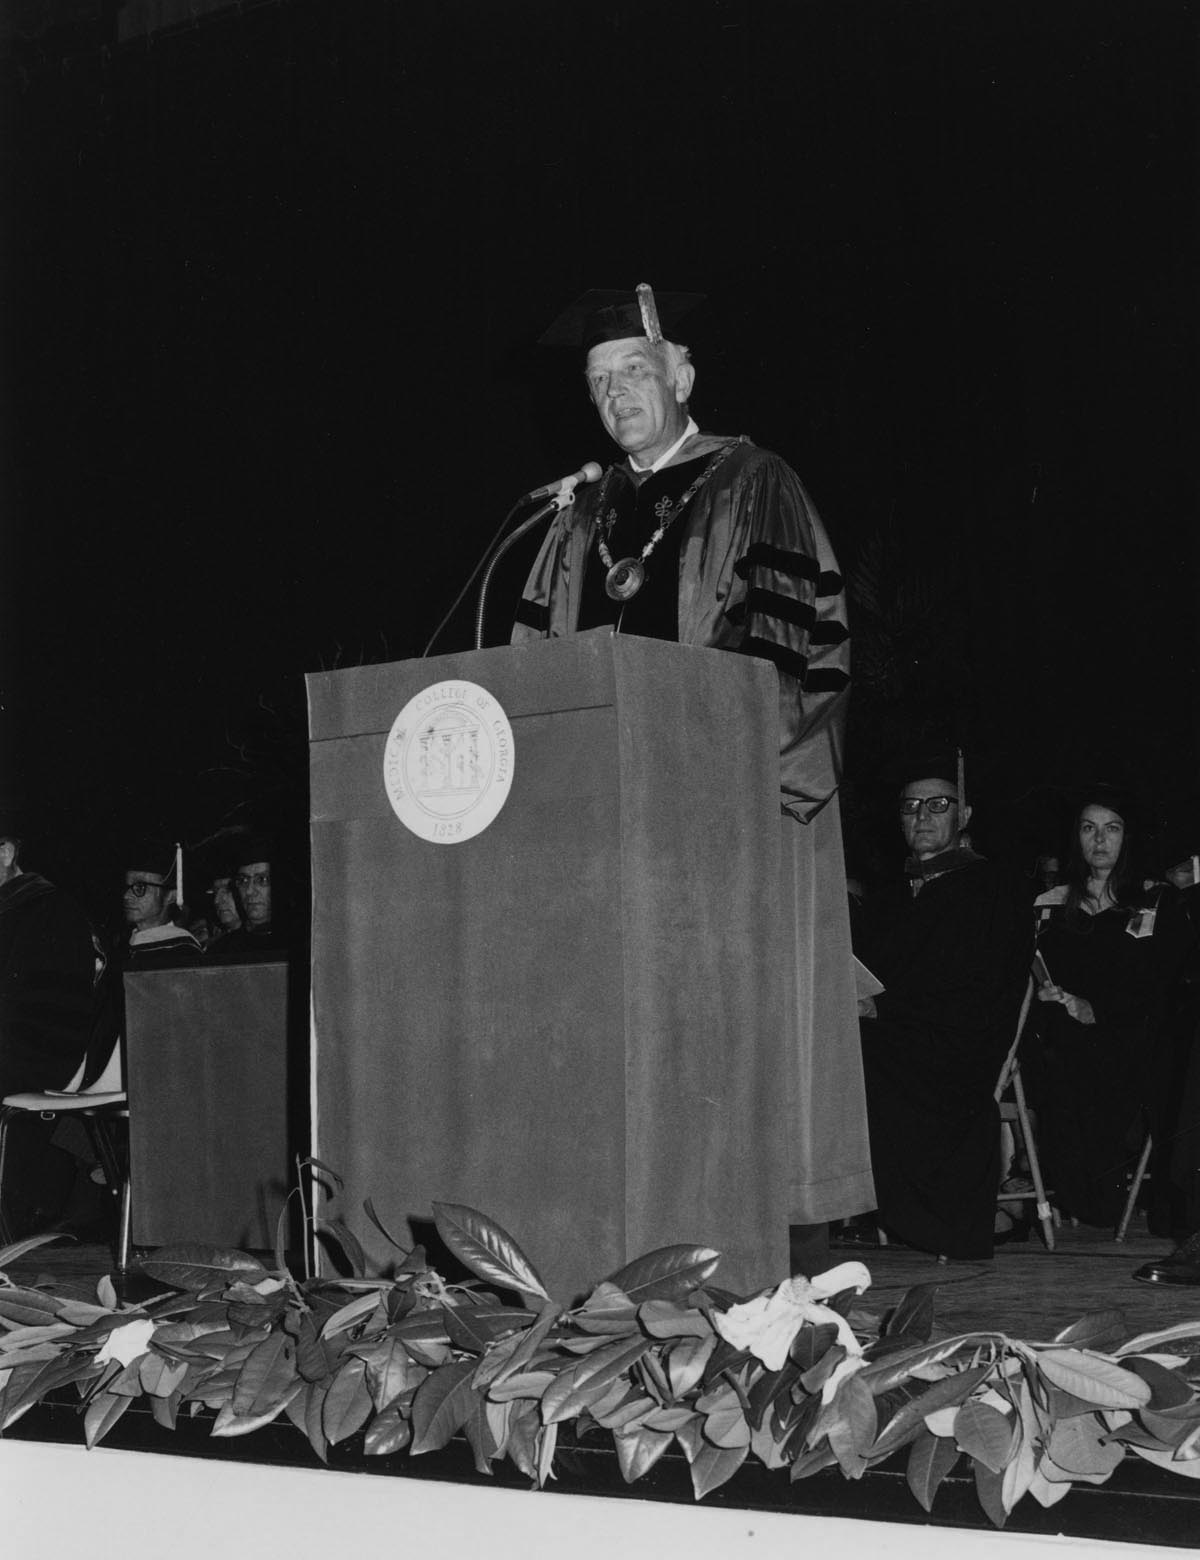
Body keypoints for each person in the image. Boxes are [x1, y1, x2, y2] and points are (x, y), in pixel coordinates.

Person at [511, 283, 873, 1262]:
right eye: (598, 381)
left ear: (682, 374)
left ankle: (743, 1258)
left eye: (634, 370)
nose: (616, 394)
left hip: (718, 817)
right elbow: (537, 665)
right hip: (603, 830)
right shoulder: (580, 512)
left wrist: (728, 779)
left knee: (724, 1042)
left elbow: (796, 648)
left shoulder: (754, 481)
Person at [852, 751, 1032, 1259]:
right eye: (911, 807)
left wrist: (884, 1009)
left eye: (938, 805)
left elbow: (982, 985)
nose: (923, 817)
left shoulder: (992, 887)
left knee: (857, 1058)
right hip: (898, 1031)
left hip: (959, 1040)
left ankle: (912, 1215)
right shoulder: (890, 895)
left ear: (964, 816)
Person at [1031, 786, 1192, 1229]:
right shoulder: (1051, 906)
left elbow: (1163, 984)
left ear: (1128, 836)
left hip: (1134, 1033)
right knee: (1057, 1041)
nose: (1100, 839)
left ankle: (1099, 1187)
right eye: (1089, 828)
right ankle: (1079, 1186)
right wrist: (1048, 995)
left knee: (1094, 1055)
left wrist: (1096, 1010)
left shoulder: (1155, 900)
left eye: (1112, 828)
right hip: (1065, 1033)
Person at [122, 840, 202, 964]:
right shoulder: (121, 946)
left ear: (170, 896)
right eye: (126, 887)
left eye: (140, 887)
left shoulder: (182, 951)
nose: (126, 896)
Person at [216, 834, 287, 953]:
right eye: (243, 880)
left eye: (263, 880)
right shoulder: (222, 951)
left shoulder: (307, 945)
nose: (249, 891)